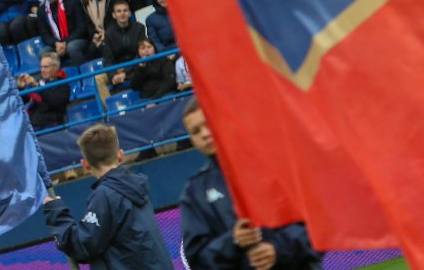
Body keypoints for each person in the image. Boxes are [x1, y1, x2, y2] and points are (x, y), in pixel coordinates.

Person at [180, 101, 323, 268]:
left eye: (208, 123)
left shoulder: (275, 168)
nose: (204, 134)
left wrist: (278, 249)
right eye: (196, 131)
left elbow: (317, 226)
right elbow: (196, 259)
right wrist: (232, 242)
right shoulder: (195, 192)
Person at [44, 124, 173, 269]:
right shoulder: (137, 186)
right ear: (120, 155)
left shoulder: (105, 195)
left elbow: (83, 247)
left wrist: (56, 213)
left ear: (85, 164)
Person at [16, 52, 74, 129]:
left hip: (49, 126)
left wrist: (38, 86)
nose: (42, 70)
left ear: (55, 67)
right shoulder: (40, 82)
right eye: (41, 67)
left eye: (46, 67)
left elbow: (54, 101)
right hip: (32, 124)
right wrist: (21, 88)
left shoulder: (63, 85)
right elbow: (23, 101)